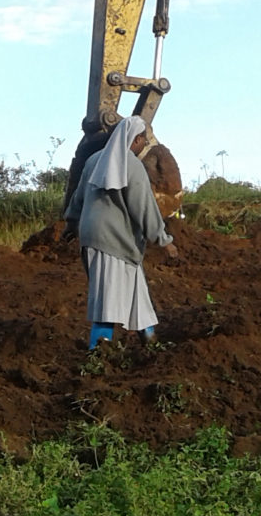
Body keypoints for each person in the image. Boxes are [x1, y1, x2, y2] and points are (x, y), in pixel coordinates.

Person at [64, 115, 179, 349]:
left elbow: (77, 198)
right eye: (143, 141)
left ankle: (151, 345)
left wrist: (70, 224)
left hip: (94, 239)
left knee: (137, 297)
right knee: (107, 302)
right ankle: (98, 355)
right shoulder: (131, 165)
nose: (143, 146)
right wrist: (163, 240)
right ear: (135, 139)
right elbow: (144, 207)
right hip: (112, 242)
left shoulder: (93, 161)